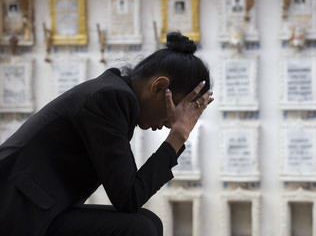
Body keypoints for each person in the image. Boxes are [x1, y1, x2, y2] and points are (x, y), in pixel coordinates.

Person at [0, 32, 214, 236]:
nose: (171, 123)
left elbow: (129, 196)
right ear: (159, 87)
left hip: (39, 209)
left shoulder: (114, 95)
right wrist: (178, 136)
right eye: (177, 110)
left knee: (149, 222)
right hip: (16, 212)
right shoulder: (110, 99)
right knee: (140, 229)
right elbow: (129, 198)